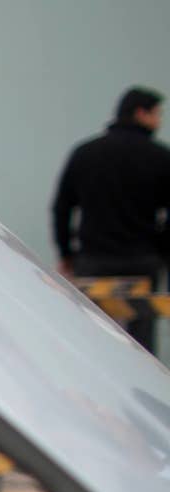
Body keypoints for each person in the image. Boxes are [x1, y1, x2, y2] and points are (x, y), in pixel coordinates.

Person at [52, 86, 170, 352]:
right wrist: (161, 250)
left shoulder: (86, 153)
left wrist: (67, 252)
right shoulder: (160, 157)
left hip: (94, 259)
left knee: (90, 334)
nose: (159, 121)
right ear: (141, 113)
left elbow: (62, 207)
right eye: (157, 114)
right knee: (141, 342)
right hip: (142, 260)